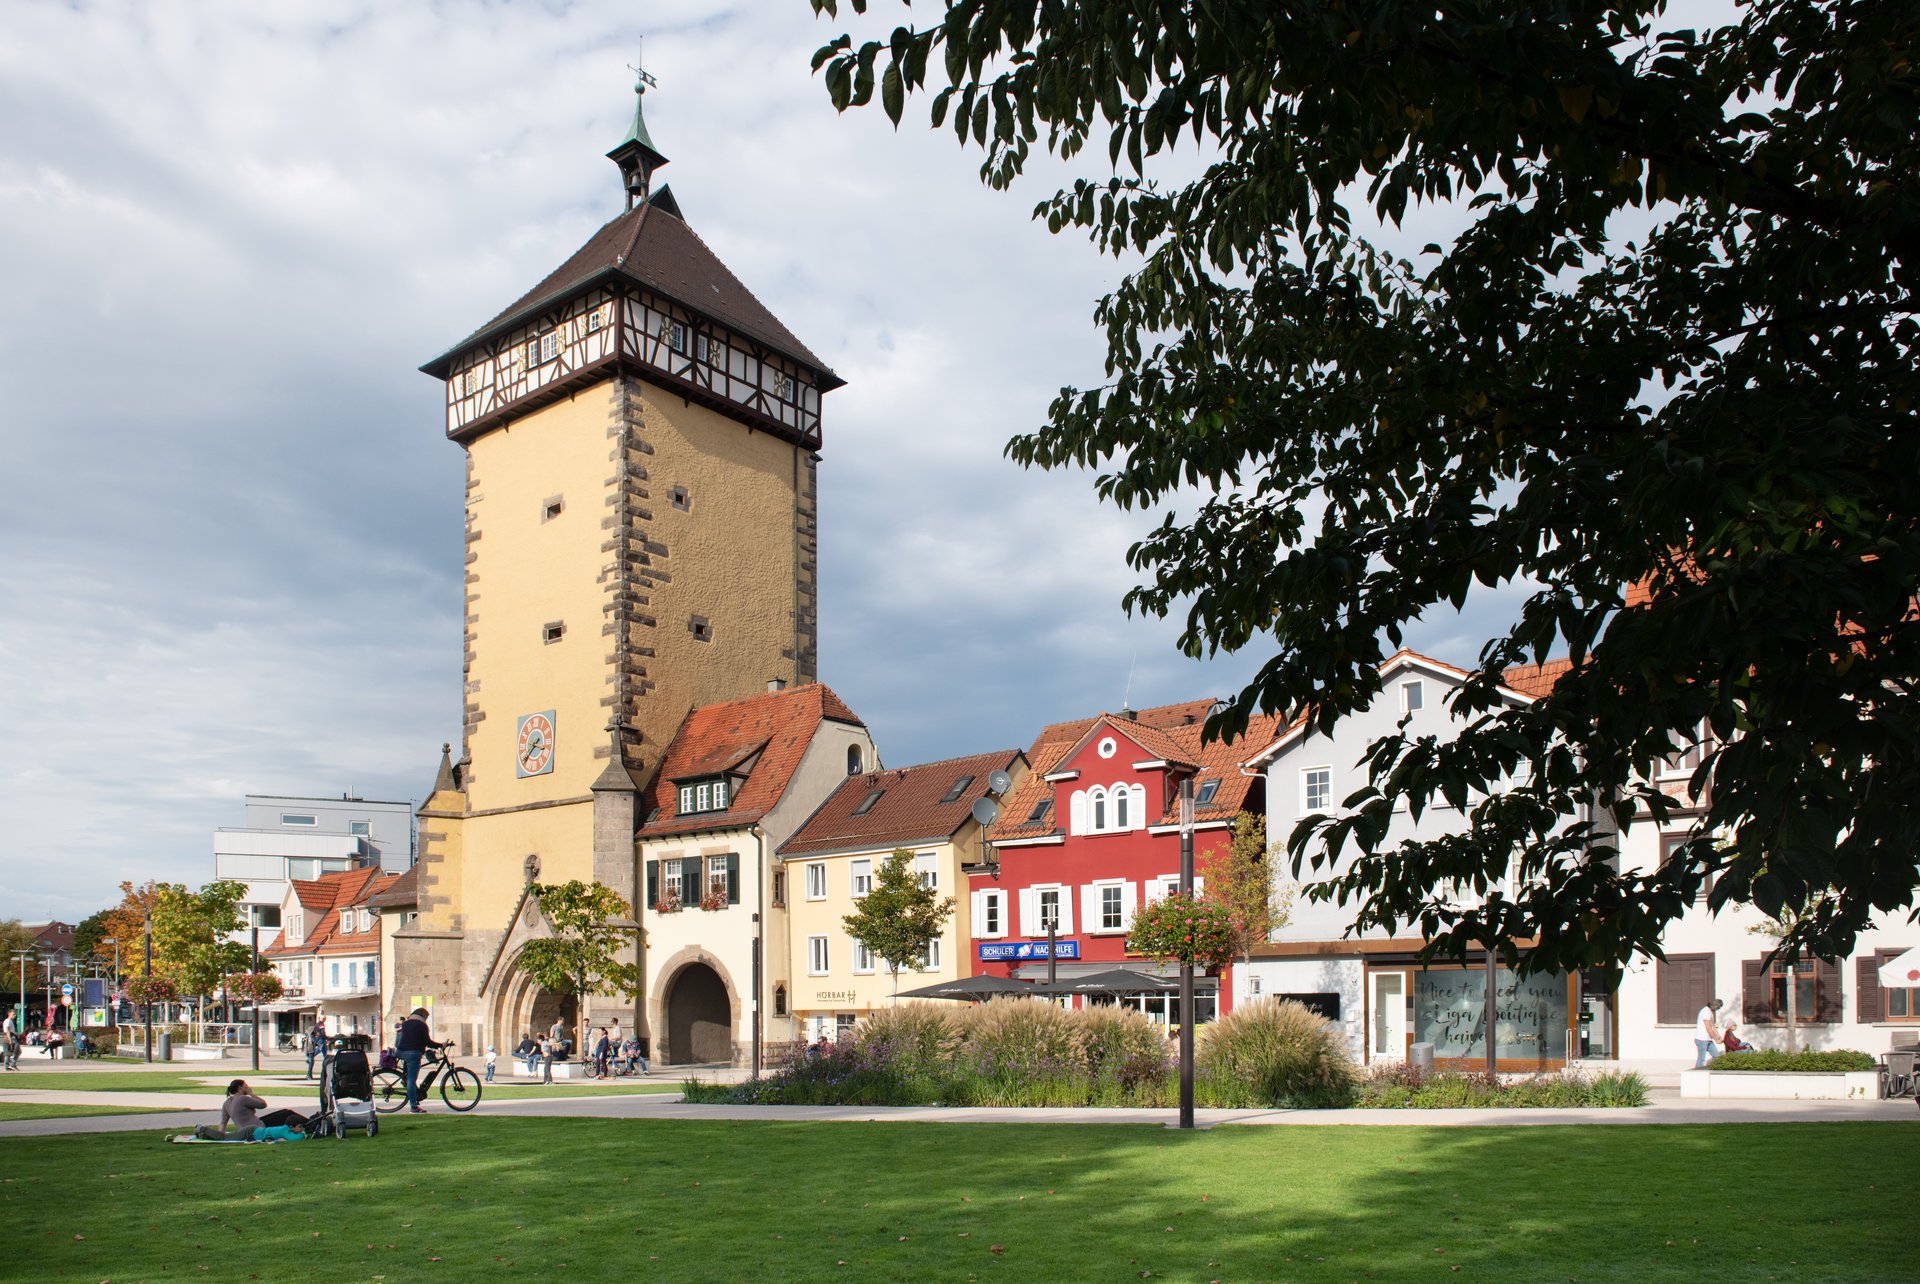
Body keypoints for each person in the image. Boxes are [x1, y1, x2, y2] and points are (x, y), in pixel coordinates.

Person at [394, 1007, 447, 1114]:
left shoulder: (405, 1024)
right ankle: (413, 1107)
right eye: (426, 1018)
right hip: (413, 1053)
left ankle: (408, 1086)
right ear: (423, 1016)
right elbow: (428, 1042)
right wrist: (441, 1045)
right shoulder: (422, 1026)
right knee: (411, 1080)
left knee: (408, 1077)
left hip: (401, 1051)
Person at [221, 1078, 307, 1133]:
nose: (248, 1087)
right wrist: (251, 1094)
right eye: (246, 1086)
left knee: (285, 1111)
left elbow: (223, 1123)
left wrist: (219, 1135)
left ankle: (298, 1127)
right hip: (258, 1127)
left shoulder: (226, 1103)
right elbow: (263, 1104)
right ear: (240, 1088)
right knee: (288, 1113)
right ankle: (310, 1124)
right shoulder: (242, 1098)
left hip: (243, 1130)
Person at [1694, 997, 1724, 1068]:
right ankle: (1697, 1074)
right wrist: (1716, 1039)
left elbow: (1713, 1027)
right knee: (1701, 1059)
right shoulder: (1705, 1012)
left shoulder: (1710, 1012)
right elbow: (1708, 1028)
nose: (1718, 1010)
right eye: (1718, 1008)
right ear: (1715, 1006)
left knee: (1717, 1056)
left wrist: (1718, 1037)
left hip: (1708, 1039)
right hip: (1702, 1039)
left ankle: (1713, 1070)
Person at [305, 1013, 327, 1079]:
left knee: (312, 1060)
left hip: (311, 1048)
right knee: (312, 1060)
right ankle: (308, 1075)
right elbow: (322, 1033)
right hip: (312, 1048)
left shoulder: (315, 1027)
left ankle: (309, 1074)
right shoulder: (320, 1025)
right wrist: (325, 1038)